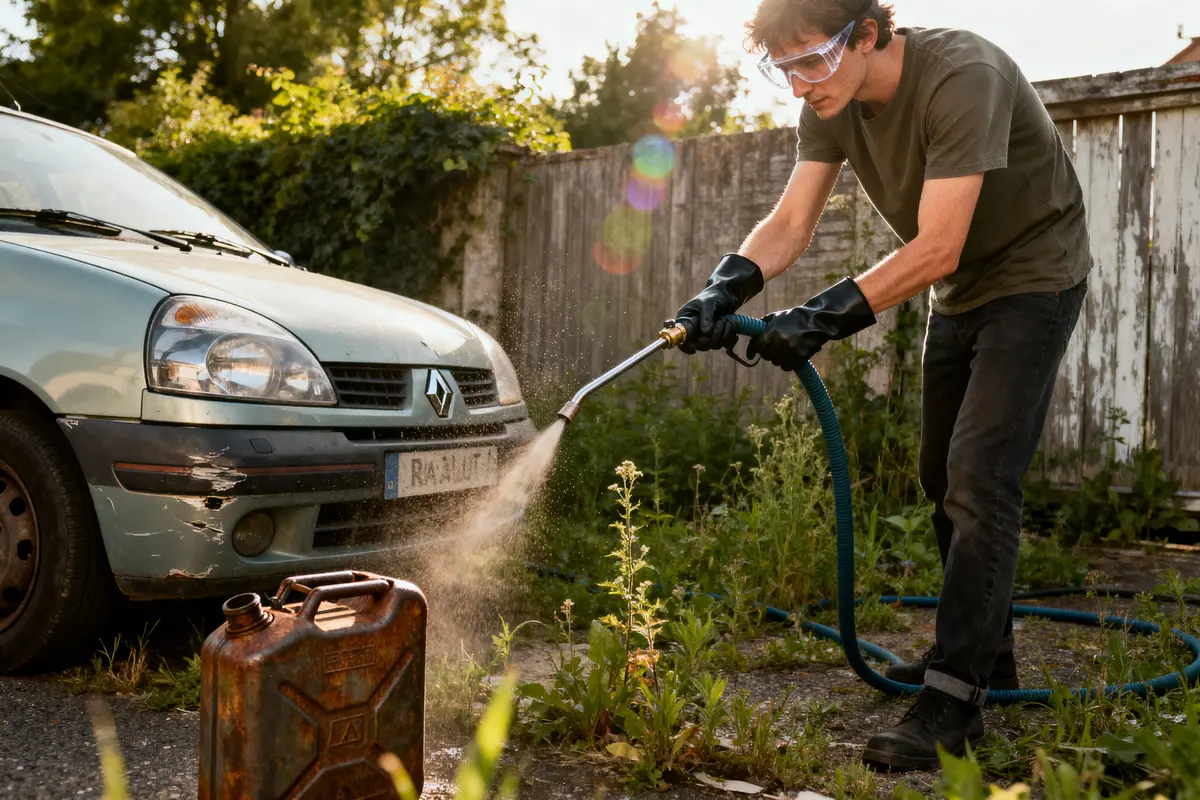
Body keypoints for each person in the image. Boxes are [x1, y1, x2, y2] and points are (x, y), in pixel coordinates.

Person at [672, 0, 1091, 772]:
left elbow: (938, 242)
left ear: (867, 33)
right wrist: (721, 290)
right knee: (940, 475)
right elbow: (792, 222)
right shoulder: (833, 98)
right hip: (960, 290)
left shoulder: (962, 75)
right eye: (783, 67)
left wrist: (824, 316)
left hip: (1034, 276)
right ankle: (990, 661)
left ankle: (955, 699)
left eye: (810, 60)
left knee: (978, 478)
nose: (798, 84)